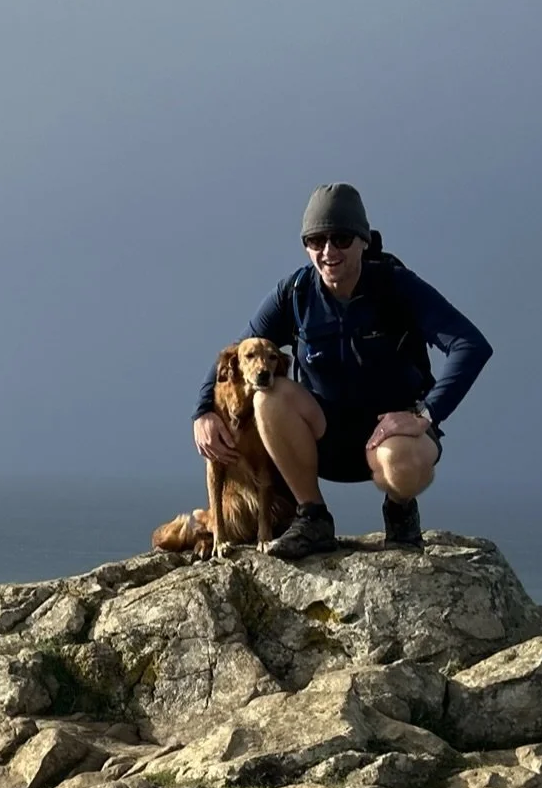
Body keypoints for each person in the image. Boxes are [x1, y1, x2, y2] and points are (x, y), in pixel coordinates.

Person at [192, 183, 492, 559]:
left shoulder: (396, 286)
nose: (328, 251)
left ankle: (400, 514)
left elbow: (470, 345)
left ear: (363, 241)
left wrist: (425, 415)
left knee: (405, 460)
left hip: (391, 437)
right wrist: (203, 412)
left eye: (341, 239)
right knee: (268, 397)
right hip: (323, 439)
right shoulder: (296, 293)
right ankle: (313, 518)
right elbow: (237, 351)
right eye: (316, 240)